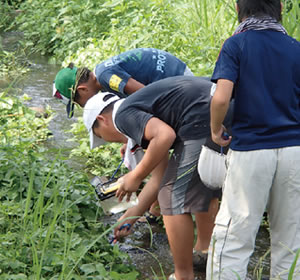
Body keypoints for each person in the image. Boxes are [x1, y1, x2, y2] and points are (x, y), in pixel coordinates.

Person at [83, 76, 233, 280]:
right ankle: (206, 256)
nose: (106, 141)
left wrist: (135, 176)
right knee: (201, 185)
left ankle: (183, 276)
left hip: (202, 117)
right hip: (223, 110)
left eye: (100, 136)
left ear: (102, 121)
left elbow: (165, 136)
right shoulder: (143, 110)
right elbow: (159, 176)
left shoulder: (124, 115)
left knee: (171, 197)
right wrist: (132, 215)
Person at [207, 0, 300, 279]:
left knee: (235, 236)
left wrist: (215, 129)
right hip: (295, 152)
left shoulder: (236, 45)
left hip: (251, 151)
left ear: (239, 9)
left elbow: (221, 97)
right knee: (290, 239)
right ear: (280, 7)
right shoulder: (296, 48)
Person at [52, 48, 193, 118]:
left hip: (179, 78)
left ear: (82, 90)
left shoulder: (105, 77)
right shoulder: (102, 73)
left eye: (79, 103)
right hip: (176, 77)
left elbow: (145, 93)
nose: (84, 106)